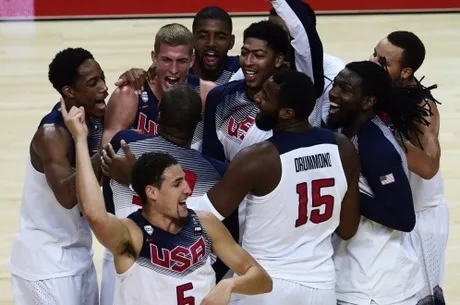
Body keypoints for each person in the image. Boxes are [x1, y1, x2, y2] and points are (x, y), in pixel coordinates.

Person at [61, 99, 273, 305]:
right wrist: (80, 141)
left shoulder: (206, 224)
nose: (188, 190)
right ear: (152, 193)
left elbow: (262, 279)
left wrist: (230, 286)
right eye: (177, 184)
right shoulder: (131, 235)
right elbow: (94, 213)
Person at [198, 70, 361, 305]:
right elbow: (347, 229)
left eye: (266, 96)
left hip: (263, 285)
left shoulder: (258, 159)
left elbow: (203, 216)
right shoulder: (343, 148)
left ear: (287, 113)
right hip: (320, 288)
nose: (257, 99)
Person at [99, 85, 228, 305]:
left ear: (158, 114)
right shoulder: (216, 173)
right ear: (199, 120)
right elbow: (226, 238)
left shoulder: (124, 144)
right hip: (186, 268)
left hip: (123, 255)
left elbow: (108, 204)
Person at [326, 61, 432, 305]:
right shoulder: (348, 128)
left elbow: (403, 218)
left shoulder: (375, 147)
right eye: (335, 85)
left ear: (367, 102)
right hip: (356, 273)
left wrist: (345, 189)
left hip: (378, 285)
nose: (334, 93)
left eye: (345, 89)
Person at [9, 47, 107, 305]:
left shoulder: (94, 119)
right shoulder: (52, 134)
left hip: (78, 254)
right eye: (93, 82)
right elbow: (66, 196)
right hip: (46, 263)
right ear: (69, 92)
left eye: (103, 78)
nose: (104, 88)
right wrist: (95, 149)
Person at [370, 31, 448, 305]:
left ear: (405, 72)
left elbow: (429, 167)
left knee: (424, 296)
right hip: (397, 206)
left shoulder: (422, 106)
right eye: (374, 54)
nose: (372, 62)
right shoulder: (380, 89)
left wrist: (385, 138)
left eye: (382, 62)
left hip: (423, 213)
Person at [102, 23, 216, 151]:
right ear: (154, 58)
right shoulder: (129, 95)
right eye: (166, 60)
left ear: (192, 60)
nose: (173, 70)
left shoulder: (207, 94)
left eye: (181, 61)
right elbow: (105, 155)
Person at [190, 6, 240, 84]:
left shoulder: (240, 69)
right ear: (192, 40)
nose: (211, 43)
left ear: (231, 42)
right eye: (203, 36)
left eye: (220, 37)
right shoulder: (180, 70)